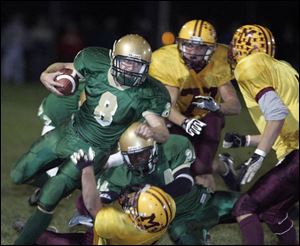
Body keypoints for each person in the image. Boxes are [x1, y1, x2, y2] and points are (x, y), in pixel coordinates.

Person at [10, 34, 171, 245]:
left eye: (137, 65)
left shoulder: (150, 92)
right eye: (127, 62)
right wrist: (44, 75)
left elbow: (162, 130)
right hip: (68, 132)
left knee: (49, 198)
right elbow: (65, 67)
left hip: (94, 151)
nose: (131, 69)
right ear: (113, 58)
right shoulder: (95, 59)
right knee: (18, 175)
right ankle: (56, 187)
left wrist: (154, 133)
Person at [224, 24, 299, 245]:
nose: (234, 53)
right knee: (273, 213)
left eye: (236, 48)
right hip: (294, 150)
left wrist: (257, 157)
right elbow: (286, 124)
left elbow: (277, 114)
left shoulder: (249, 66)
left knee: (244, 207)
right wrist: (246, 140)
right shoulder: (284, 67)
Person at [149, 19, 242, 192]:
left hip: (208, 117)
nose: (193, 52)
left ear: (212, 49)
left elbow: (235, 106)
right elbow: (168, 106)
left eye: (200, 47)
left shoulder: (221, 60)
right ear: (179, 44)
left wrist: (216, 107)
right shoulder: (168, 61)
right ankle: (222, 167)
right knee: (178, 166)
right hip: (179, 117)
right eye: (188, 45)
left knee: (199, 169)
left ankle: (219, 173)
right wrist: (185, 122)